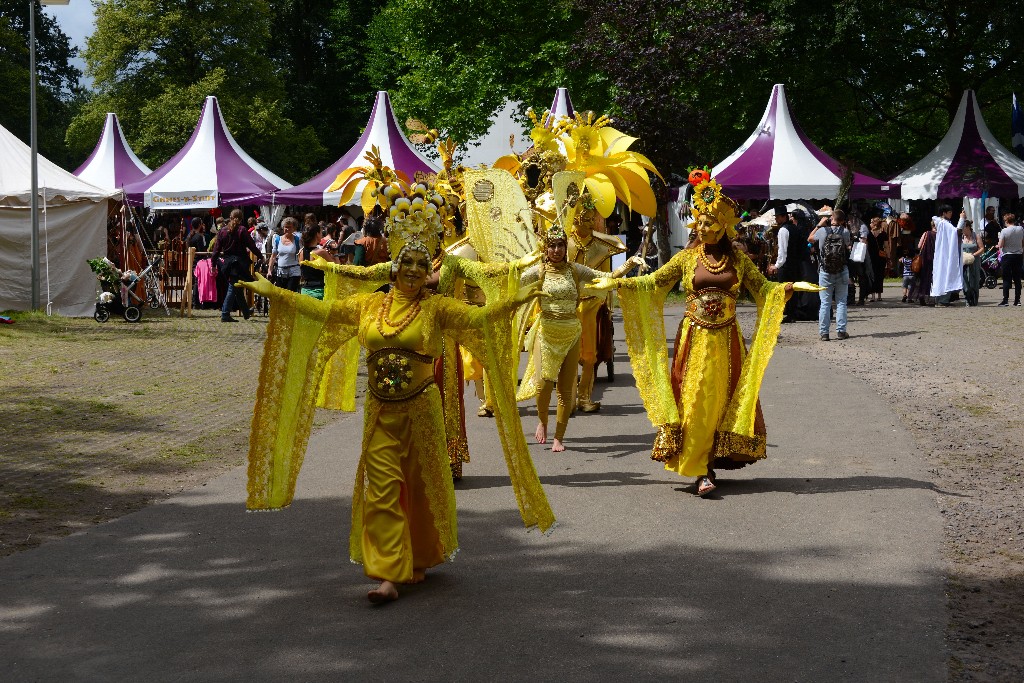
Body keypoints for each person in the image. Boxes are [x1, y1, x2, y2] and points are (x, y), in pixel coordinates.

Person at [237, 175, 553, 604]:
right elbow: (325, 312)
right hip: (382, 413)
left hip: (423, 410)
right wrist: (276, 292)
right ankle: (388, 574)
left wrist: (515, 302)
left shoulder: (438, 307)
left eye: (422, 265)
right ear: (393, 264)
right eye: (407, 262)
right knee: (381, 486)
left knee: (421, 487)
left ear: (429, 273)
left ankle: (419, 556)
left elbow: (479, 322)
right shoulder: (369, 305)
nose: (413, 271)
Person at [591, 175, 792, 497]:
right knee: (696, 400)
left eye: (709, 223)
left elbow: (762, 289)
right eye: (699, 222)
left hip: (728, 342)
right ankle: (700, 469)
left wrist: (787, 288)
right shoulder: (686, 258)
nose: (702, 228)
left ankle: (711, 460)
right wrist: (617, 284)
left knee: (721, 402)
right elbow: (654, 282)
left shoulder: (738, 260)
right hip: (694, 340)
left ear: (724, 226)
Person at [519, 224, 643, 452]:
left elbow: (606, 276)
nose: (556, 250)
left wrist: (629, 263)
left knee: (566, 390)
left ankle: (559, 437)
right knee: (543, 385)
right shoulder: (537, 272)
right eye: (552, 246)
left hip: (571, 332)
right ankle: (543, 421)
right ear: (545, 249)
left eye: (560, 246)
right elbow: (512, 282)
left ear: (565, 248)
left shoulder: (575, 270)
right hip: (546, 332)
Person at [568, 200, 627, 412]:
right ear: (575, 219)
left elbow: (607, 277)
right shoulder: (562, 244)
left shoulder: (602, 246)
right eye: (587, 219)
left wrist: (607, 305)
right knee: (566, 355)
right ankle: (568, 398)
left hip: (592, 305)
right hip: (566, 306)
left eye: (594, 219)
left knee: (590, 355)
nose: (592, 223)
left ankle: (584, 397)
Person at [211, 209, 262, 322]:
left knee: (237, 288)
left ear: (230, 216)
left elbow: (216, 249)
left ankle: (246, 312)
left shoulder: (222, 231)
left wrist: (213, 264)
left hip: (227, 263)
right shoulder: (242, 230)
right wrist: (260, 256)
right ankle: (225, 313)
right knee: (233, 287)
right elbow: (252, 245)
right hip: (239, 263)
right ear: (241, 218)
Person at [810, 209, 852, 340]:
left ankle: (824, 333)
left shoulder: (822, 231)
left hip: (825, 271)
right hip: (841, 270)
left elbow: (810, 239)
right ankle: (841, 331)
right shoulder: (845, 232)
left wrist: (818, 225)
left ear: (830, 218)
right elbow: (848, 247)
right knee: (841, 302)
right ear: (843, 221)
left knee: (825, 303)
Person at [931, 206, 965, 306]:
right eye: (949, 212)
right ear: (944, 213)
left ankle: (942, 299)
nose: (951, 214)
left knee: (943, 273)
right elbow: (956, 232)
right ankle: (942, 300)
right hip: (945, 253)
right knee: (945, 273)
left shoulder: (943, 223)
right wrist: (962, 218)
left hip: (944, 252)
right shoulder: (943, 223)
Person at [299, 223, 337, 299]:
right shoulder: (321, 252)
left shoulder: (301, 252)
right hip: (319, 291)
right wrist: (335, 254)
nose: (322, 235)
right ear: (317, 234)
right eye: (320, 232)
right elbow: (337, 268)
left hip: (305, 290)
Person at [268, 217, 302, 292]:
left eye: (289, 227)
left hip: (294, 272)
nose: (287, 229)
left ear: (294, 228)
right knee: (281, 295)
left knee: (290, 295)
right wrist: (269, 270)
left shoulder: (297, 240)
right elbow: (273, 256)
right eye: (285, 227)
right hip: (280, 272)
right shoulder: (277, 239)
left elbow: (301, 255)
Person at [997, 212, 1024, 306]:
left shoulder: (1004, 231)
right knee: (1017, 278)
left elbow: (1001, 244)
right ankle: (1017, 300)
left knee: (1007, 278)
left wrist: (998, 245)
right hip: (1018, 255)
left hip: (1007, 256)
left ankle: (1005, 300)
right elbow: (1022, 241)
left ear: (1006, 221)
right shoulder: (1020, 229)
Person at [960, 220, 985, 307]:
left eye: (963, 227)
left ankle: (974, 299)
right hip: (963, 262)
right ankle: (967, 299)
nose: (962, 229)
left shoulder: (976, 236)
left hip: (974, 261)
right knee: (965, 281)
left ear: (967, 227)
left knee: (974, 280)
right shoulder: (961, 237)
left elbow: (982, 248)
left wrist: (973, 255)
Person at [866, 217, 889, 301]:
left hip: (871, 257)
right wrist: (888, 257)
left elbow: (866, 246)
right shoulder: (884, 234)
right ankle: (879, 296)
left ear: (874, 224)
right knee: (880, 276)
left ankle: (872, 296)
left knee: (872, 275)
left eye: (871, 222)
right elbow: (886, 246)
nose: (870, 224)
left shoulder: (868, 234)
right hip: (881, 257)